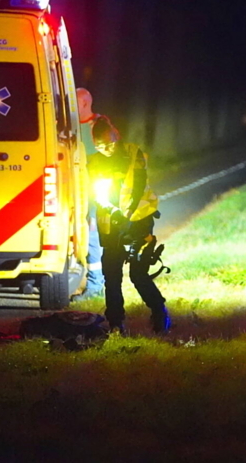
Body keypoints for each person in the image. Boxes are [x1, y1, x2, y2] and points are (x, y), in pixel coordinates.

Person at [88, 116, 170, 334]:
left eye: (110, 143)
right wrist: (115, 214)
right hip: (111, 225)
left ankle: (160, 313)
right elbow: (97, 194)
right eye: (100, 145)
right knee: (112, 275)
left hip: (139, 222)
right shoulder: (94, 162)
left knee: (138, 274)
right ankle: (116, 324)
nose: (106, 149)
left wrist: (127, 214)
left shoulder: (134, 153)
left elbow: (137, 185)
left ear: (117, 136)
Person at [74, 88, 105, 300]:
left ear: (85, 104)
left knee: (93, 235)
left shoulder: (100, 126)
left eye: (73, 103)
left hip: (95, 191)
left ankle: (96, 285)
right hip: (77, 189)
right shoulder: (69, 125)